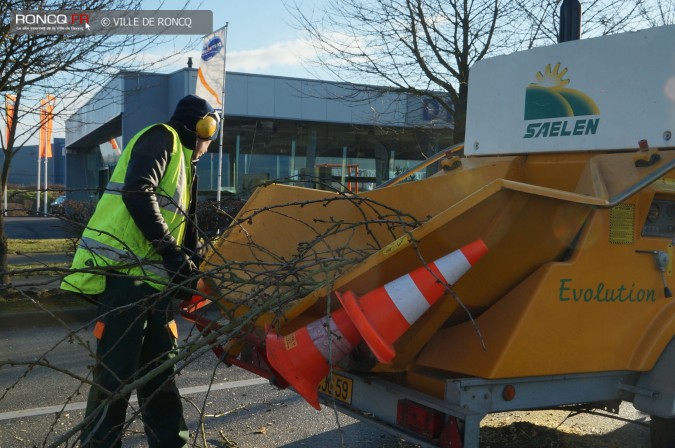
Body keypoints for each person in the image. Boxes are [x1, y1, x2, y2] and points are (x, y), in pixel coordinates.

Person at [61, 95, 219, 447]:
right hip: (125, 279)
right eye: (210, 138)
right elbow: (137, 191)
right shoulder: (161, 137)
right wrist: (172, 254)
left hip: (154, 286)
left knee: (160, 376)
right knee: (115, 378)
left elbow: (182, 226)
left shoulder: (184, 162)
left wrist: (192, 264)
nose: (209, 147)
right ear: (203, 128)